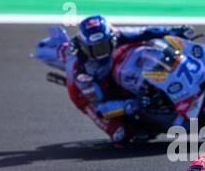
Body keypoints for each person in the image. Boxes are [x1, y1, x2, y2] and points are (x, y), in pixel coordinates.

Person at [66, 15, 194, 147]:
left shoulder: (116, 34)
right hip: (88, 94)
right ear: (84, 47)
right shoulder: (82, 71)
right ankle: (142, 126)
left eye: (104, 46)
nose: (101, 54)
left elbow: (144, 31)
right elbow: (100, 106)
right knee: (120, 135)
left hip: (114, 74)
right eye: (95, 49)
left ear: (112, 38)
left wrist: (172, 31)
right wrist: (132, 104)